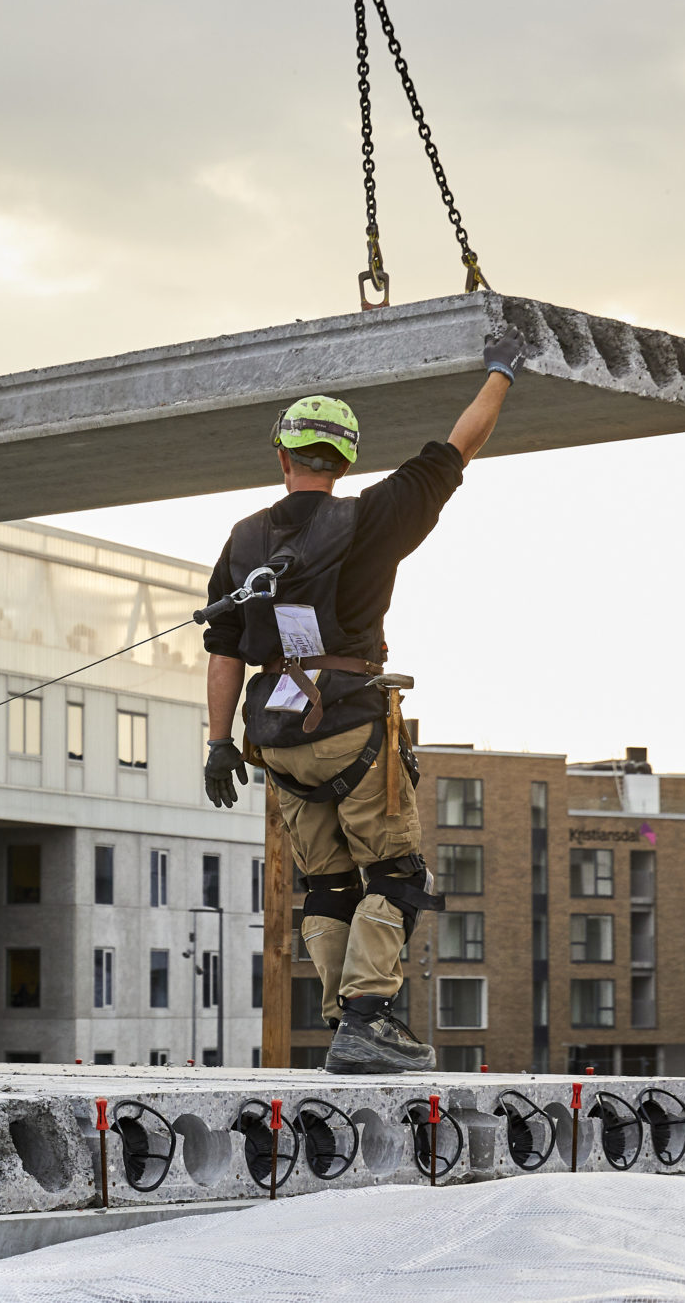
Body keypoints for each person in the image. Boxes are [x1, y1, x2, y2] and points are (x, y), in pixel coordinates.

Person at [199, 334, 520, 1075]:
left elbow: (221, 646)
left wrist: (218, 744)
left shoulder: (244, 540)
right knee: (398, 875)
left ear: (282, 459)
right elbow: (459, 445)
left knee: (331, 882)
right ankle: (370, 1017)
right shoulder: (374, 518)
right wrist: (502, 371)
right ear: (343, 461)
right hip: (348, 726)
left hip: (273, 734)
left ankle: (348, 1017)